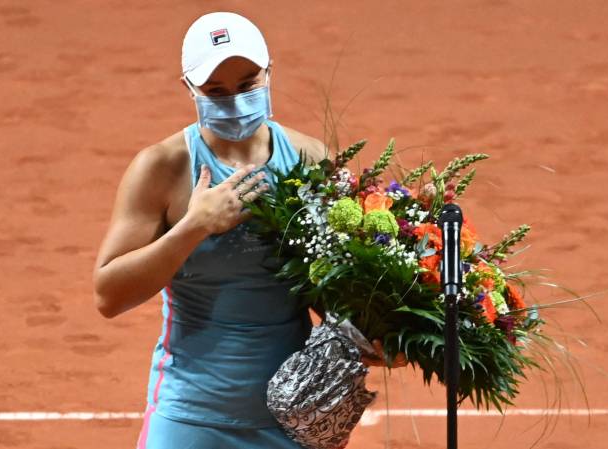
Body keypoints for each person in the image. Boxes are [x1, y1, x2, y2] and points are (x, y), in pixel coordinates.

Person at [92, 11, 406, 449]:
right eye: (215, 92)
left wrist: (373, 330)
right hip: (189, 417)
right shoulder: (163, 169)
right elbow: (109, 294)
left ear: (269, 73)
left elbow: (327, 290)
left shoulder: (310, 159)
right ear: (188, 88)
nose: (235, 101)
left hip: (291, 417)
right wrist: (194, 227)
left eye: (246, 85)